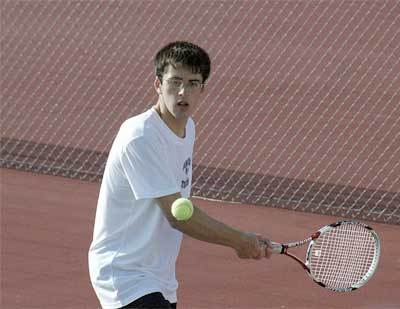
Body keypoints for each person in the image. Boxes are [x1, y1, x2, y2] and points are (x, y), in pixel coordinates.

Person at [88, 41, 273, 309]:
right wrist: (239, 241)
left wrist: (245, 241)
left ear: (203, 90)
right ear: (158, 85)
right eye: (174, 82)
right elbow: (177, 216)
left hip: (159, 277)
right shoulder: (140, 136)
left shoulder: (188, 130)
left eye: (193, 83)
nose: (183, 92)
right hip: (124, 274)